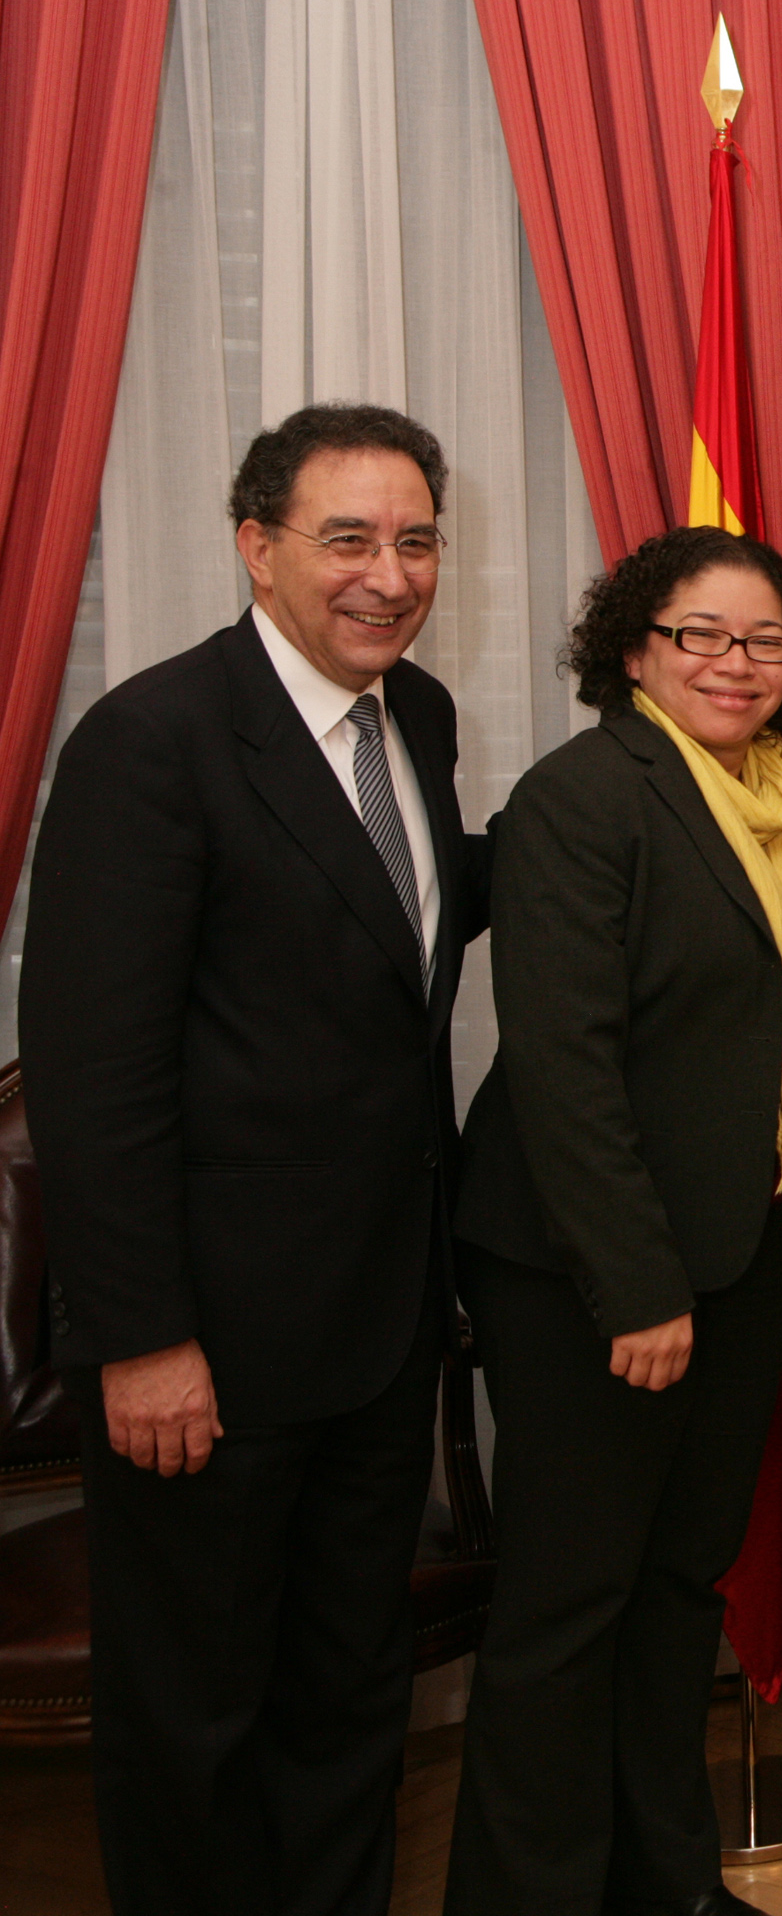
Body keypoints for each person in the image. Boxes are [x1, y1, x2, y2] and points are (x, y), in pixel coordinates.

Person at [20, 404, 474, 1916]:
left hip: (377, 1327)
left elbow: (391, 949)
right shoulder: (151, 742)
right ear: (256, 547)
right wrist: (142, 1338)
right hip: (207, 1351)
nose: (388, 575)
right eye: (347, 539)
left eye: (415, 540)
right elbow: (95, 1080)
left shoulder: (420, 718)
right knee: (196, 1725)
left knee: (348, 1698)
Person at [444, 526, 782, 1916]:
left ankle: (665, 1882)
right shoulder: (584, 796)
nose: (735, 663)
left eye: (763, 640)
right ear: (634, 648)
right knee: (567, 1609)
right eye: (701, 634)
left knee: (677, 1587)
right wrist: (634, 1288)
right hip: (594, 1275)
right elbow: (564, 1062)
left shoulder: (769, 802)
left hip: (733, 1252)